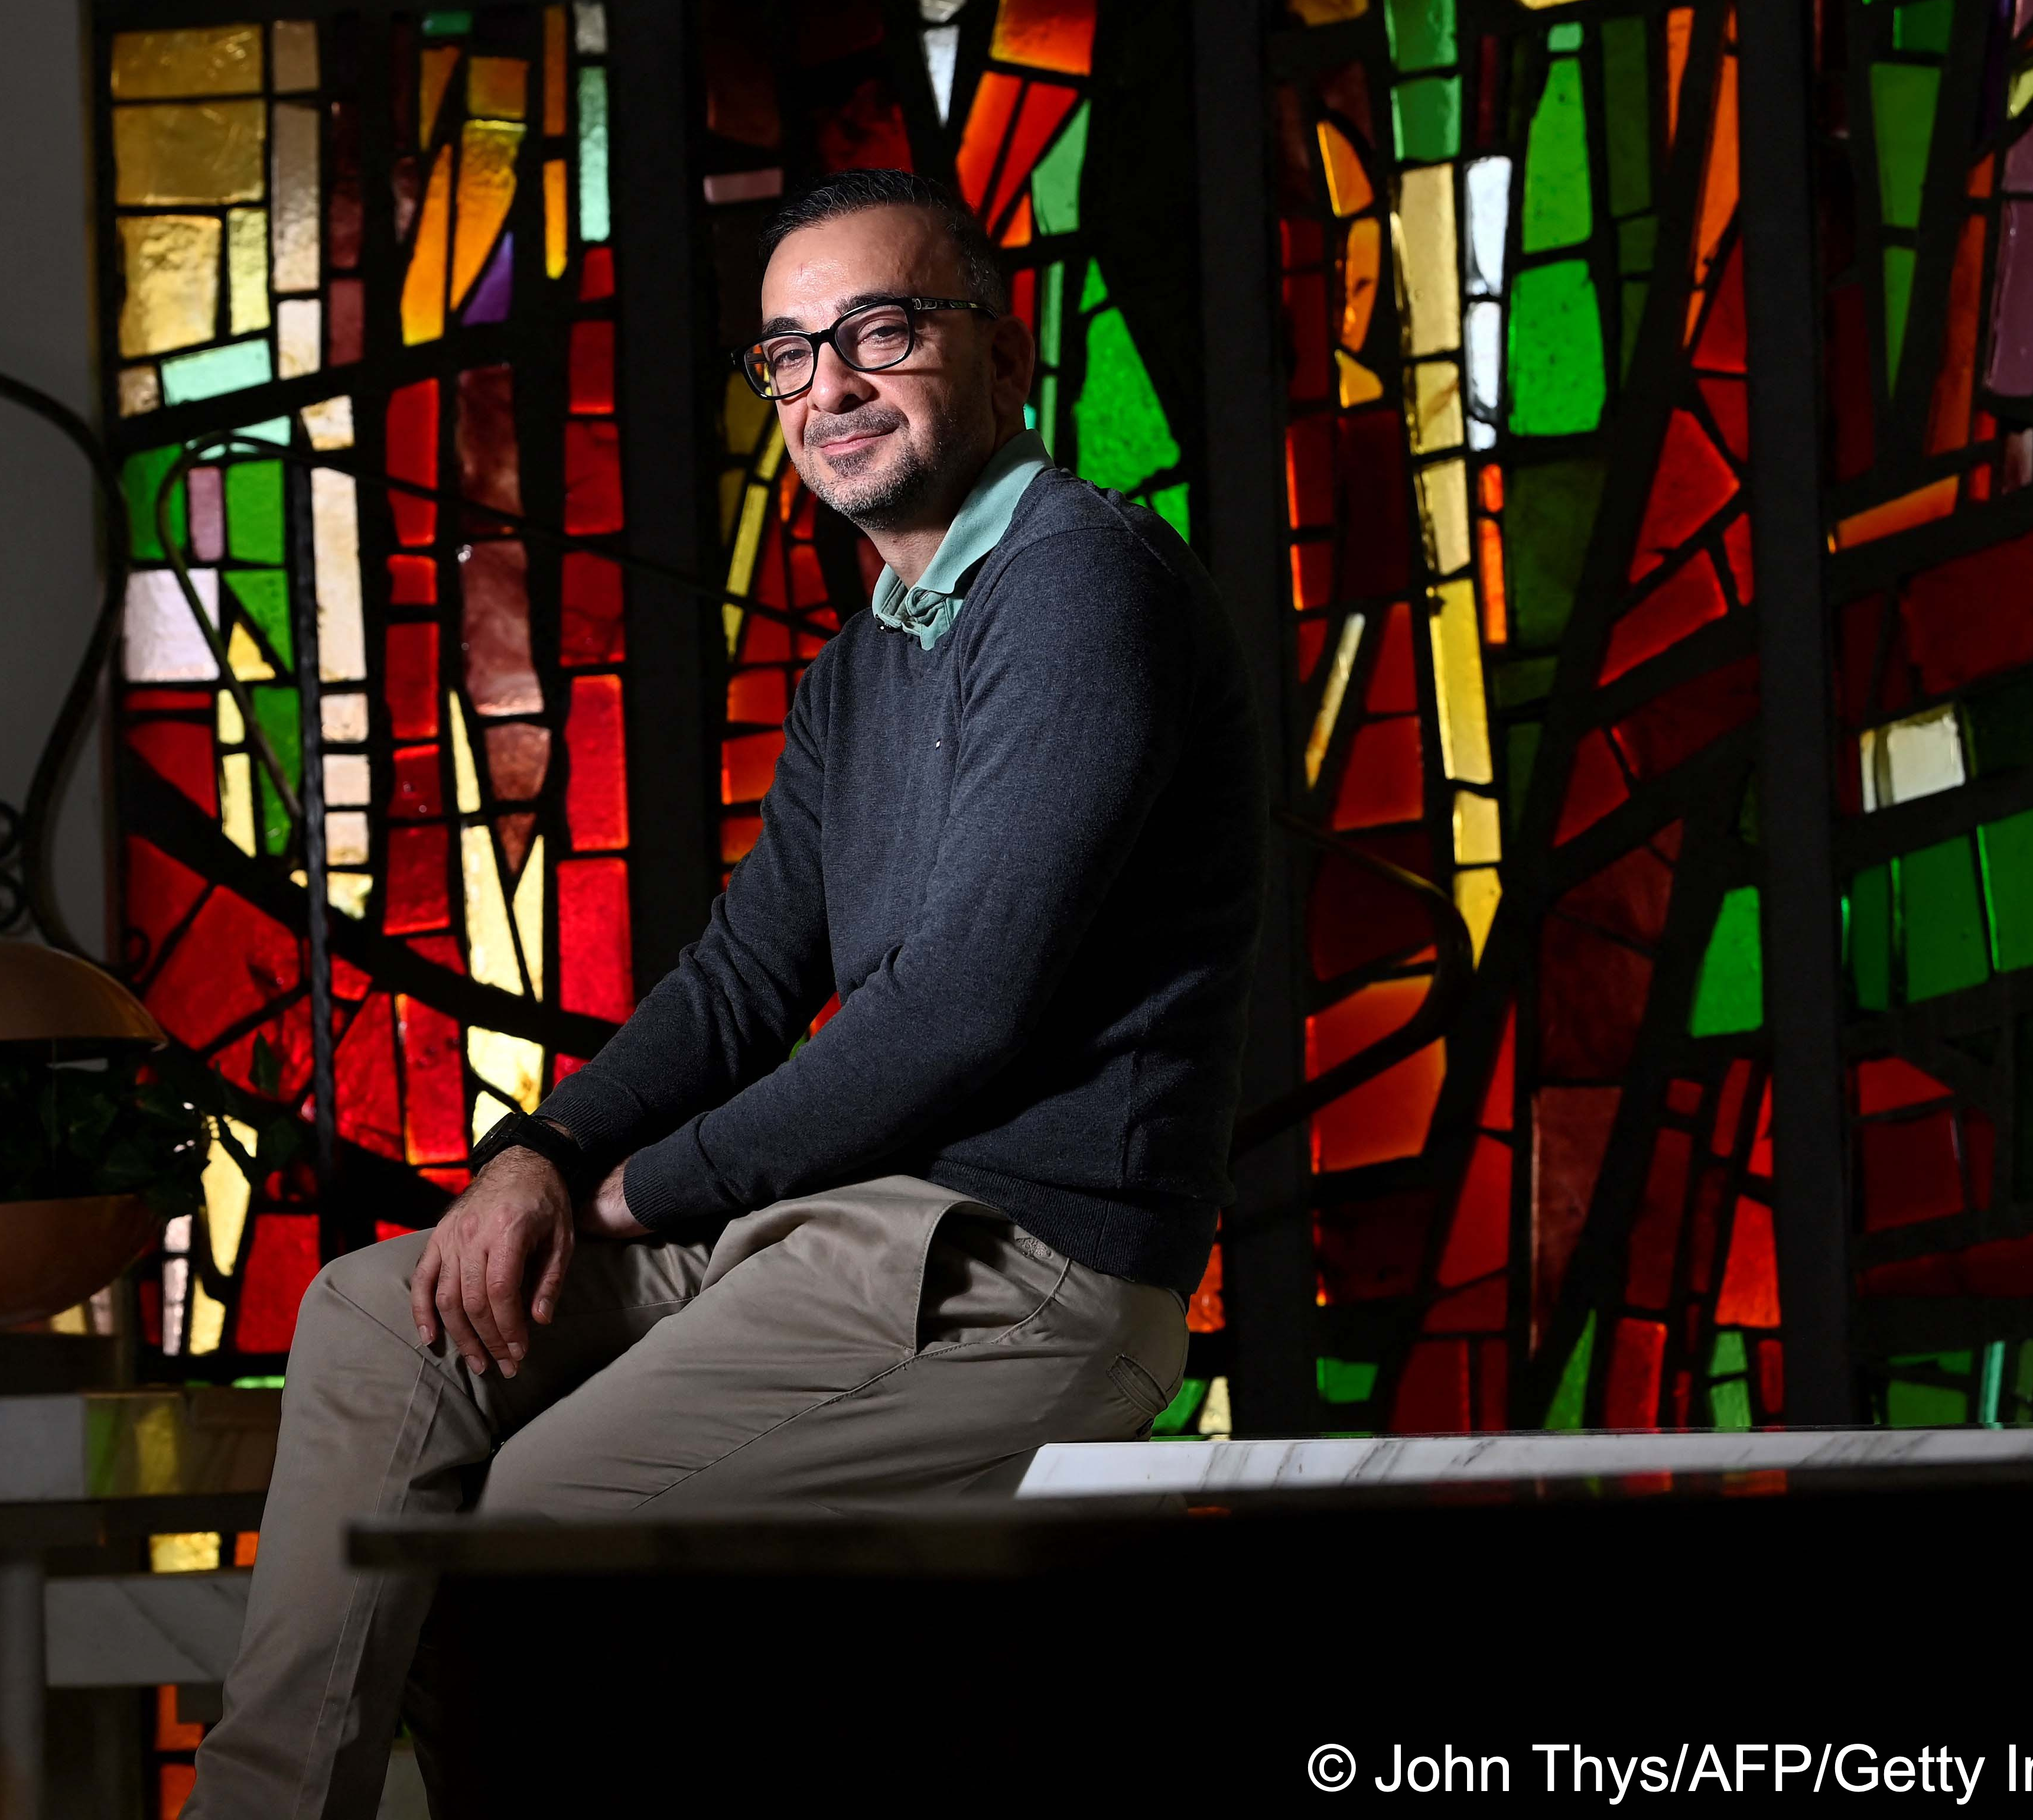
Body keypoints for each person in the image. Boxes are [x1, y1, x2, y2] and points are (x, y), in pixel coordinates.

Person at [184, 167, 1264, 1819]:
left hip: (1015, 1266)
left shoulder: (1078, 588)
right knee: (371, 1321)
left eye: (879, 333)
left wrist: (638, 1192)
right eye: (787, 355)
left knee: (544, 1519)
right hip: (840, 1230)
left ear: (1001, 347)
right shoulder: (868, 657)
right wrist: (539, 1156)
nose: (828, 387)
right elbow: (751, 975)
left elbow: (966, 1006)